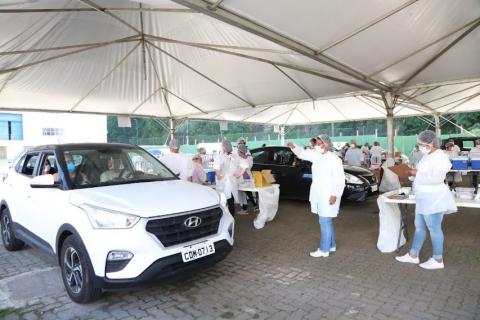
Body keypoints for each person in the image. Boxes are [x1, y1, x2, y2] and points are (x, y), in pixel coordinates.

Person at [396, 130, 457, 270]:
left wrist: (416, 173)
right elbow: (420, 173)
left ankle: (438, 259)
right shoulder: (427, 156)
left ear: (431, 143)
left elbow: (435, 178)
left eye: (421, 144)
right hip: (423, 198)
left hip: (434, 198)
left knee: (434, 228)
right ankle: (413, 255)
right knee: (420, 227)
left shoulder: (441, 157)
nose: (419, 146)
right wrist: (410, 173)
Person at [288, 135, 345, 258]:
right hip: (319, 193)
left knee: (324, 220)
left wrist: (335, 194)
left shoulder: (334, 159)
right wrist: (294, 147)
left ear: (326, 144)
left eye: (320, 143)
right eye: (317, 143)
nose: (318, 145)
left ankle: (324, 250)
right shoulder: (317, 155)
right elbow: (303, 153)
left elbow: (339, 179)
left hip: (329, 194)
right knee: (326, 220)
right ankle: (331, 245)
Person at [213, 140, 248, 217]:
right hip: (232, 181)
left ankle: (225, 217)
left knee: (223, 200)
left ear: (223, 147)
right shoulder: (235, 156)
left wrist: (219, 177)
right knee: (230, 200)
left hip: (224, 182)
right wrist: (239, 174)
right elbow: (245, 165)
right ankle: (232, 217)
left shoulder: (220, 156)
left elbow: (216, 167)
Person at [236, 143, 256, 214]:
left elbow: (245, 167)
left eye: (238, 150)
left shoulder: (241, 158)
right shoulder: (248, 157)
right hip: (247, 177)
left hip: (243, 177)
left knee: (243, 193)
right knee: (248, 192)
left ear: (240, 151)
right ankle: (254, 206)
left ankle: (245, 209)